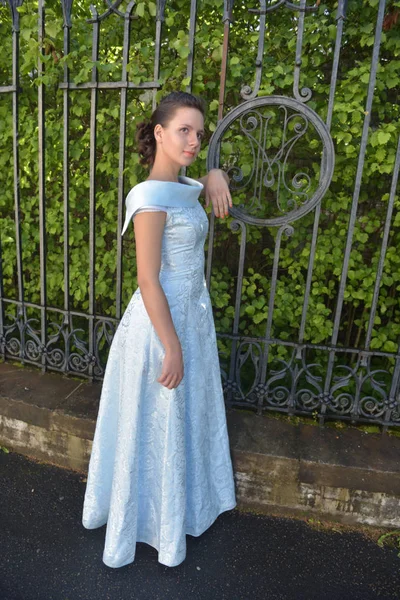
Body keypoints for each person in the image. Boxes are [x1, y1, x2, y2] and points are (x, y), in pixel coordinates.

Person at [82, 91, 237, 568]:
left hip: (192, 316)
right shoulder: (148, 197)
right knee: (155, 420)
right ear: (160, 133)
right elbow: (148, 278)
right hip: (159, 326)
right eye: (184, 130)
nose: (194, 139)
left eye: (199, 131)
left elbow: (200, 188)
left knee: (180, 417)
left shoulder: (188, 185)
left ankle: (180, 510)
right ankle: (148, 523)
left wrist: (216, 173)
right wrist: (171, 346)